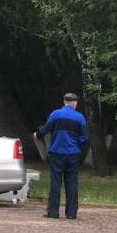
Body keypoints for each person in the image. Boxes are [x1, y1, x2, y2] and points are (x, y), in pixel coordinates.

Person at [35, 92, 89, 220]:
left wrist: (38, 133)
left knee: (55, 182)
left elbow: (45, 129)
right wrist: (78, 148)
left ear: (64, 102)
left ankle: (53, 212)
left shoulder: (55, 114)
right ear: (75, 103)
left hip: (57, 153)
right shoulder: (79, 117)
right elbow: (85, 138)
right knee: (72, 183)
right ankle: (71, 213)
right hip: (73, 154)